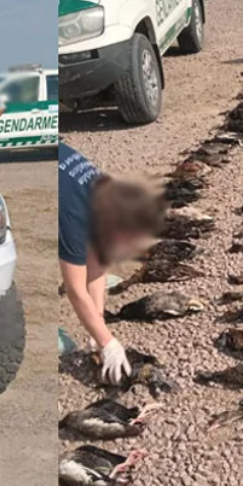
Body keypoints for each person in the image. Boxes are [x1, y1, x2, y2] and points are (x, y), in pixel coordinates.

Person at [58, 143, 166, 384]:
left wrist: (98, 325)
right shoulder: (71, 219)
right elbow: (75, 290)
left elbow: (97, 262)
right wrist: (108, 344)